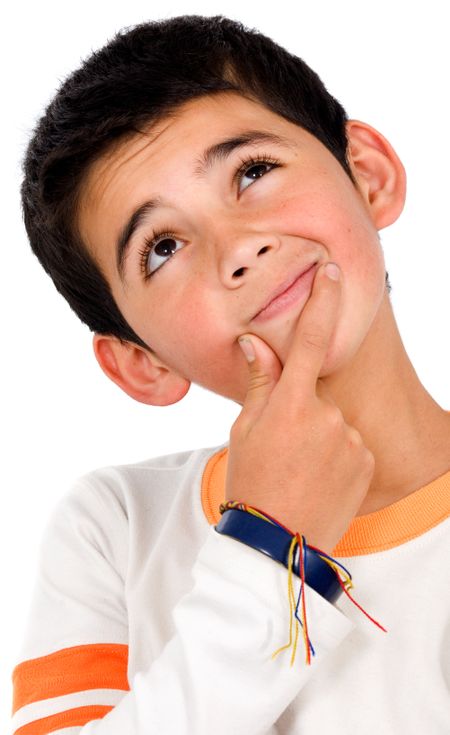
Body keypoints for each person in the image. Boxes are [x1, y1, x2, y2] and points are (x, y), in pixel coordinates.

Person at [12, 14, 450, 735]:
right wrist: (271, 556)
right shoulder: (114, 528)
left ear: (367, 175)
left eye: (252, 172)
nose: (237, 249)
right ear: (140, 363)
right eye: (162, 247)